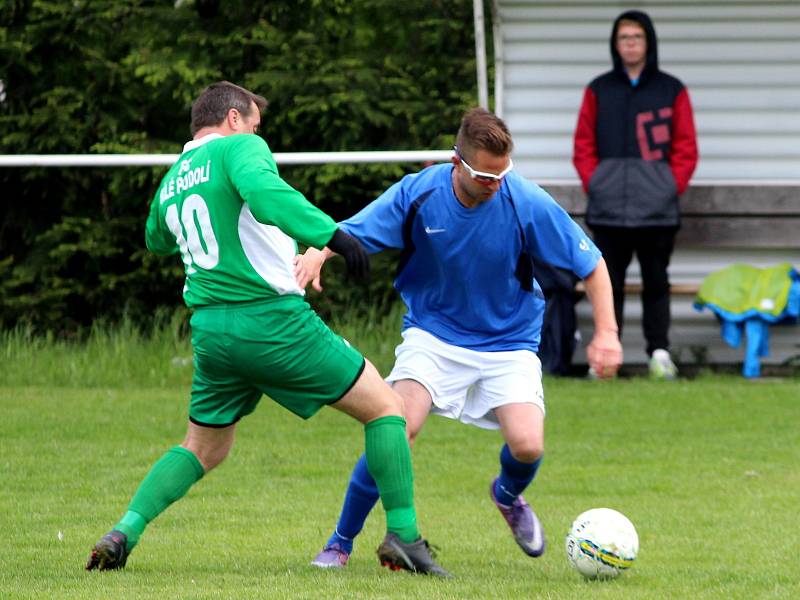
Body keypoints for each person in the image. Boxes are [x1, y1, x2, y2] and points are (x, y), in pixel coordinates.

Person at [85, 81, 448, 577]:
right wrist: (332, 236)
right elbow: (264, 194)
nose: (261, 135)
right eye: (257, 124)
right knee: (388, 409)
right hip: (270, 321)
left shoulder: (174, 177)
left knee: (204, 446)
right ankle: (404, 538)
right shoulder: (240, 147)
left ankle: (123, 531)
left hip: (212, 332)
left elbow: (156, 238)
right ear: (234, 118)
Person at [296, 107, 622, 568]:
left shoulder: (523, 199)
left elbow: (592, 263)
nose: (495, 183)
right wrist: (317, 251)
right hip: (434, 335)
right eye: (484, 175)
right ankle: (339, 541)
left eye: (502, 173)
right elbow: (351, 230)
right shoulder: (419, 194)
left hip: (509, 340)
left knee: (528, 445)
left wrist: (606, 333)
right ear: (457, 163)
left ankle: (507, 495)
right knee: (395, 425)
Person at [573, 10, 698, 379]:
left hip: (657, 212)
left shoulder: (671, 89)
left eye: (637, 37)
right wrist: (597, 183)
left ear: (649, 42)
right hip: (608, 210)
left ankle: (659, 353)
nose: (630, 43)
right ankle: (607, 358)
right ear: (615, 44)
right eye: (623, 37)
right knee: (606, 282)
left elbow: (686, 148)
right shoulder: (599, 90)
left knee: (656, 282)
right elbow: (582, 145)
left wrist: (666, 188)